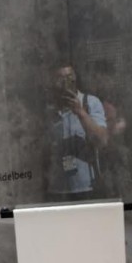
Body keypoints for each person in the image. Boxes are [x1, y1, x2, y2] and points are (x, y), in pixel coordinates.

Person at [47, 65, 108, 197]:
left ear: (75, 78)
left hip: (88, 188)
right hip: (59, 191)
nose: (65, 82)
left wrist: (80, 112)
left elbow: (102, 140)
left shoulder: (90, 103)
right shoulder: (50, 112)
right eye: (60, 78)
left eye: (69, 77)